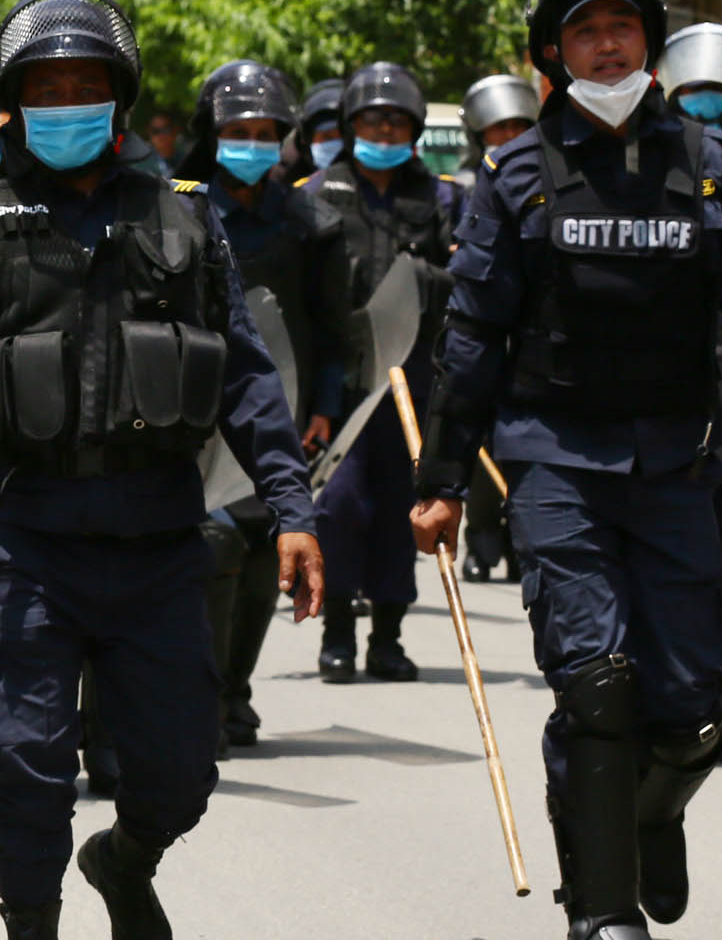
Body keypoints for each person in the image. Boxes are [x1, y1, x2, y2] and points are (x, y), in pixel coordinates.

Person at [0, 0, 322, 940]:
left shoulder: (183, 218)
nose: (68, 102)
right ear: (10, 102)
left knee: (179, 772)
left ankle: (126, 861)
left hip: (159, 545)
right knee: (30, 770)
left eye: (88, 85)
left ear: (121, 97)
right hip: (28, 546)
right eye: (46, 88)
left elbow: (248, 382)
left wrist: (293, 507)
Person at [409, 0, 722, 940]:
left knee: (694, 709)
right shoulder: (513, 181)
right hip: (553, 459)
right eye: (583, 31)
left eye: (622, 27)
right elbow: (469, 340)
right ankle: (602, 914)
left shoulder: (712, 171)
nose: (605, 47)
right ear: (549, 52)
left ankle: (650, 815)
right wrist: (441, 483)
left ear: (649, 40)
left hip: (674, 464)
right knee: (595, 684)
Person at [177, 62, 349, 751]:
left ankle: (233, 692)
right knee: (202, 551)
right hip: (190, 411)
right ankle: (194, 692)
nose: (251, 142)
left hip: (275, 409)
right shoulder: (179, 208)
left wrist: (323, 407)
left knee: (256, 558)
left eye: (263, 133)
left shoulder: (312, 221)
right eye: (236, 131)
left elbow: (332, 329)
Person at [302, 62, 459, 684]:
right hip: (342, 381)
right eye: (373, 119)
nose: (385, 130)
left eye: (397, 121)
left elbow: (466, 277)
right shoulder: (317, 192)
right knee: (340, 507)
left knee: (404, 508)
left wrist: (423, 279)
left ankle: (388, 636)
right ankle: (336, 632)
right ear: (350, 124)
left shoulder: (441, 196)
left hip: (414, 380)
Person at [654, 22, 722, 765]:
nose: (709, 108)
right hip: (666, 393)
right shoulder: (650, 162)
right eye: (697, 93)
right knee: (678, 560)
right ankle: (680, 704)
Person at [451, 75, 543, 584]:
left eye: (517, 126)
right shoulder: (462, 188)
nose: (508, 135)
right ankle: (481, 543)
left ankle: (516, 546)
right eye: (498, 128)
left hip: (530, 333)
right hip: (484, 327)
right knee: (483, 446)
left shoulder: (543, 178)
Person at [295, 78, 346, 176]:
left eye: (343, 137)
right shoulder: (294, 188)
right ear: (307, 140)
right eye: (327, 137)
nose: (337, 144)